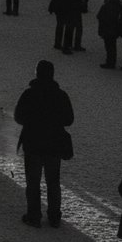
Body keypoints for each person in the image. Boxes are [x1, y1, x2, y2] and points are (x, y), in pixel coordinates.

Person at [14, 59, 74, 228]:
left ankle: (34, 215)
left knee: (33, 182)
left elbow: (18, 117)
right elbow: (69, 119)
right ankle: (54, 216)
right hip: (54, 144)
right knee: (53, 181)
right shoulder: (60, 95)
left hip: (32, 143)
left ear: (37, 73)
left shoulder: (29, 94)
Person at [98, 0, 122, 69]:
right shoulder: (118, 5)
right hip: (114, 29)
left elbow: (100, 16)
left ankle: (110, 63)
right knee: (112, 47)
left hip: (107, 29)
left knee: (109, 47)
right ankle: (111, 62)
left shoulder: (107, 6)